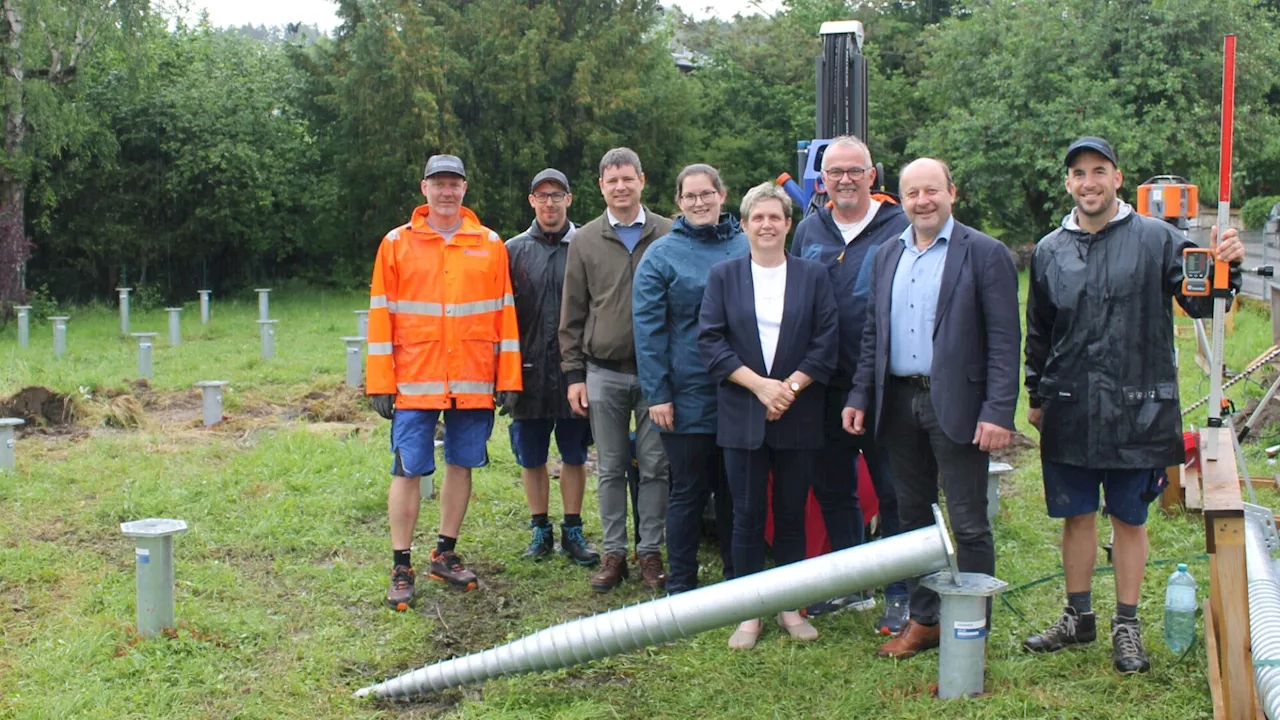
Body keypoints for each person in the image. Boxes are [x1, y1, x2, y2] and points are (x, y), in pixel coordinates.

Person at [1022, 136, 1244, 674]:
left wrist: (1225, 267)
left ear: (1118, 178)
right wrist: (1036, 393)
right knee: (1075, 517)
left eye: (1099, 171)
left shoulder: (1158, 239)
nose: (1089, 181)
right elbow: (1041, 330)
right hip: (1071, 406)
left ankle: (1126, 624)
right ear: (1068, 183)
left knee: (1129, 517)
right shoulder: (1051, 248)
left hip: (1138, 408)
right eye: (1079, 173)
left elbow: (1200, 300)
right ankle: (1078, 618)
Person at [843, 158, 1020, 659]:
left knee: (967, 519)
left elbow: (1005, 341)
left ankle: (972, 628)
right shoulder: (885, 255)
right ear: (899, 199)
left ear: (952, 193)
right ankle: (924, 622)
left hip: (959, 403)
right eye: (912, 193)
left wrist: (998, 411)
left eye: (932, 191)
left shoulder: (984, 254)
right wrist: (861, 395)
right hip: (898, 402)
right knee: (911, 516)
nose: (922, 201)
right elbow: (873, 335)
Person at [366, 154, 522, 609]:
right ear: (424, 189)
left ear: (465, 188)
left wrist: (507, 376)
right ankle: (401, 563)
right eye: (439, 183)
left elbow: (504, 315)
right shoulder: (396, 244)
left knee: (462, 463)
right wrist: (380, 380)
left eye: (454, 183)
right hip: (415, 380)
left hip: (473, 379)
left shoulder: (490, 244)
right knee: (408, 467)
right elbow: (381, 318)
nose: (447, 191)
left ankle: (445, 553)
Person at [698, 182, 838, 649]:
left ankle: (790, 607)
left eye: (775, 217)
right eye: (757, 218)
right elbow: (711, 342)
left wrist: (788, 389)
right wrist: (759, 386)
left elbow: (826, 342)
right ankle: (749, 612)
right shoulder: (724, 276)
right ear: (744, 225)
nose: (766, 225)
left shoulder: (813, 275)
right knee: (745, 515)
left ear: (788, 224)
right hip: (742, 413)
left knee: (792, 515)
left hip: (798, 414)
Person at [791, 135, 911, 629]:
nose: (844, 180)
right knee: (834, 487)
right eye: (833, 172)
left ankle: (901, 590)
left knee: (894, 490)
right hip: (823, 385)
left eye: (853, 170)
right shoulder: (807, 231)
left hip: (886, 386)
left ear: (872, 174)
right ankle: (849, 583)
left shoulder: (900, 227)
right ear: (821, 180)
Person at [559, 147, 673, 592]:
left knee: (654, 466)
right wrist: (573, 375)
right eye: (612, 181)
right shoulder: (585, 240)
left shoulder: (667, 233)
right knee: (608, 467)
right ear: (601, 187)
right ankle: (613, 553)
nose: (621, 187)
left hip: (656, 375)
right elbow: (572, 312)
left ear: (642, 180)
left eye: (628, 179)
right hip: (601, 372)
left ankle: (649, 552)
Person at [633, 164, 749, 594]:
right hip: (686, 395)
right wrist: (658, 393)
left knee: (737, 491)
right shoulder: (661, 256)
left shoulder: (747, 244)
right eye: (690, 196)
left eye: (707, 194)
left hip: (742, 392)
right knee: (688, 491)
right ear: (679, 203)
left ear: (722, 194)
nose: (700, 202)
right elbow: (648, 331)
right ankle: (681, 583)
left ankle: (739, 580)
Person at [504, 168, 600, 567]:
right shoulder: (511, 250)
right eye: (541, 196)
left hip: (574, 371)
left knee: (575, 453)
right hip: (525, 371)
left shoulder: (588, 245)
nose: (549, 203)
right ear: (531, 201)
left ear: (569, 199)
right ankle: (540, 527)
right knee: (531, 455)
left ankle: (573, 529)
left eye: (556, 195)